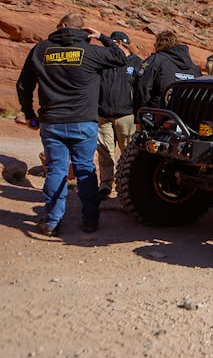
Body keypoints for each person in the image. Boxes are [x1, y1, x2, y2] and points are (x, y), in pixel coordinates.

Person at [16, 14, 127, 235]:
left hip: (52, 121)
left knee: (56, 170)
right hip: (83, 121)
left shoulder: (41, 49)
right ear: (82, 30)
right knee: (85, 169)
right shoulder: (92, 52)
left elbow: (23, 85)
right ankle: (90, 221)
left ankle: (52, 222)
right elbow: (120, 57)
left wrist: (29, 114)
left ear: (63, 26)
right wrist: (102, 36)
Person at [96, 31, 142, 199]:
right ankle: (105, 186)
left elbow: (141, 91)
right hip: (102, 114)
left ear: (120, 44)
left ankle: (128, 187)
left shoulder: (137, 63)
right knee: (104, 152)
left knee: (128, 154)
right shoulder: (105, 61)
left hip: (126, 115)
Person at [135, 30, 201, 110]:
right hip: (186, 115)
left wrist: (141, 113)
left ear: (158, 44)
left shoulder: (155, 60)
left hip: (159, 114)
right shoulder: (193, 67)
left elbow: (142, 87)